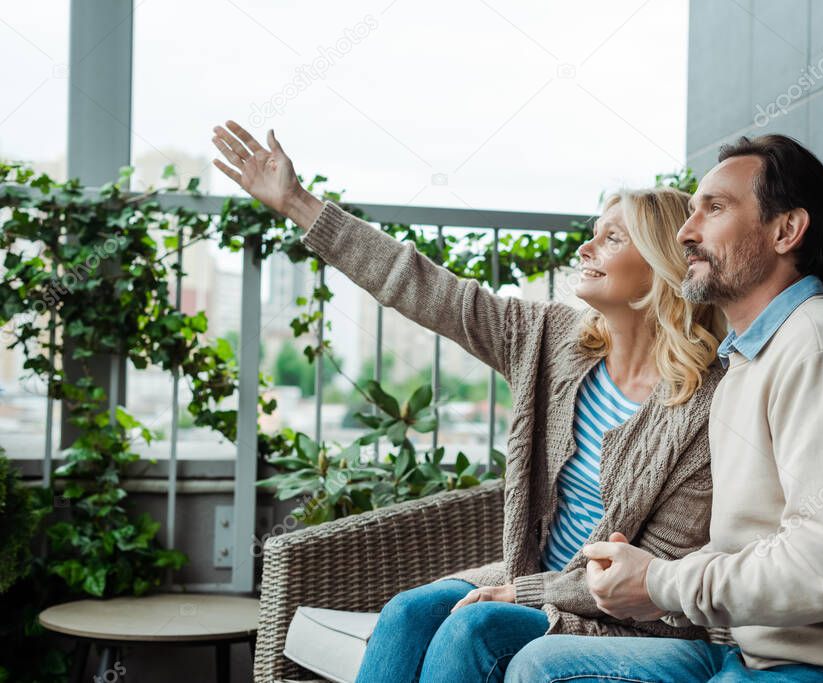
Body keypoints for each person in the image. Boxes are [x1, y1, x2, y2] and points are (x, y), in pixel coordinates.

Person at [211, 120, 728, 682]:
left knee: (472, 630)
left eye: (612, 238)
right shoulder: (552, 339)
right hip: (532, 579)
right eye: (594, 231)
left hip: (627, 619)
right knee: (410, 610)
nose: (586, 246)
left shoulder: (701, 405)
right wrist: (298, 203)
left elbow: (649, 574)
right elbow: (425, 288)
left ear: (658, 270)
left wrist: (524, 592)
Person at [506, 134, 823, 683]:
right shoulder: (746, 364)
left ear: (785, 231)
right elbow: (745, 550)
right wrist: (652, 582)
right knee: (523, 651)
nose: (686, 231)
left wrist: (660, 584)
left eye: (715, 208)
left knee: (545, 671)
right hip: (759, 655)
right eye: (692, 210)